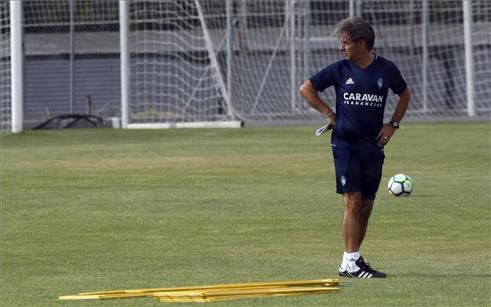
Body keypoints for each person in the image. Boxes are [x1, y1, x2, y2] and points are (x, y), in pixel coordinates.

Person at [299, 17, 411, 278]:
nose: (342, 48)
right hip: (345, 144)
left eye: (346, 43)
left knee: (366, 206)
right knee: (353, 200)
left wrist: (393, 124)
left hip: (373, 145)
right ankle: (351, 260)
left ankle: (351, 261)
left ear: (362, 43)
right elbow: (306, 89)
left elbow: (405, 94)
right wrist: (329, 114)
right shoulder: (339, 70)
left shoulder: (386, 70)